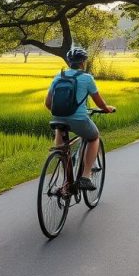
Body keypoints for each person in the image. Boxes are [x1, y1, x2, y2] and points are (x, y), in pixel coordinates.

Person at [44, 46, 115, 191]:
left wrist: (62, 114)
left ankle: (65, 179)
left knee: (63, 147)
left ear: (69, 62)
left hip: (57, 119)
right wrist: (107, 109)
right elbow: (99, 102)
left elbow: (48, 103)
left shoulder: (58, 76)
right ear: (83, 62)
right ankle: (85, 176)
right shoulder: (87, 78)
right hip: (79, 119)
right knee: (93, 137)